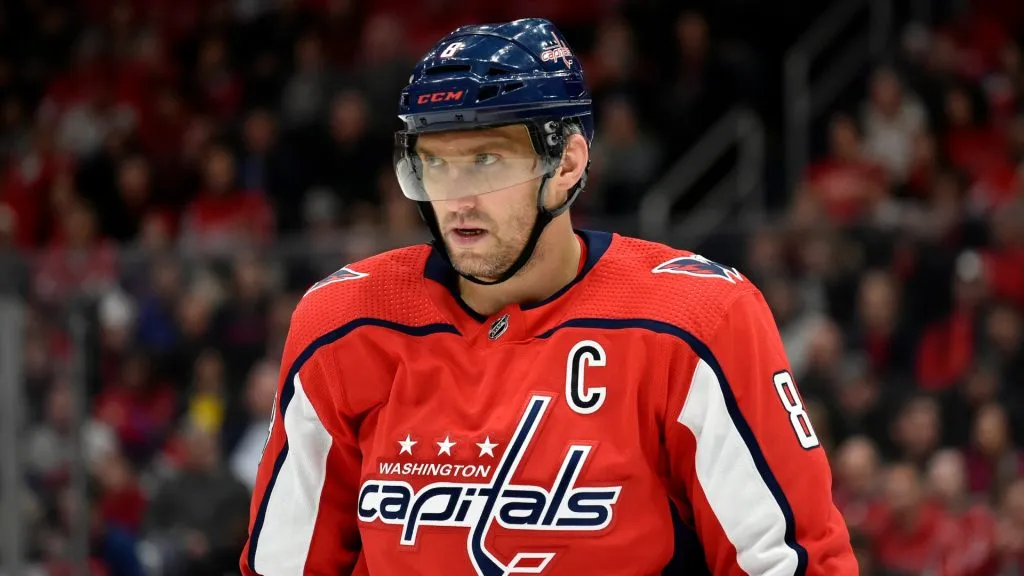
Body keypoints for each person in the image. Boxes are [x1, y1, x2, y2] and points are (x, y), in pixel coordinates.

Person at [239, 18, 857, 575]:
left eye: (486, 160)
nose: (457, 199)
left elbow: (795, 563)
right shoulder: (343, 324)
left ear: (566, 164)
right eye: (436, 164)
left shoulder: (697, 321)